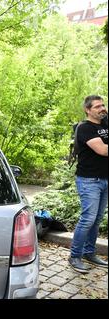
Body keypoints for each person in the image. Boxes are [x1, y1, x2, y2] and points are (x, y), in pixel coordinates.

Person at [68, 95, 108, 274]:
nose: (102, 108)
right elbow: (103, 150)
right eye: (98, 106)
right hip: (89, 181)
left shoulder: (105, 125)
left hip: (105, 179)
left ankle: (89, 252)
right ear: (88, 110)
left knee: (97, 219)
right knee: (88, 219)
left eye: (103, 105)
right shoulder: (85, 128)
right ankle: (74, 256)